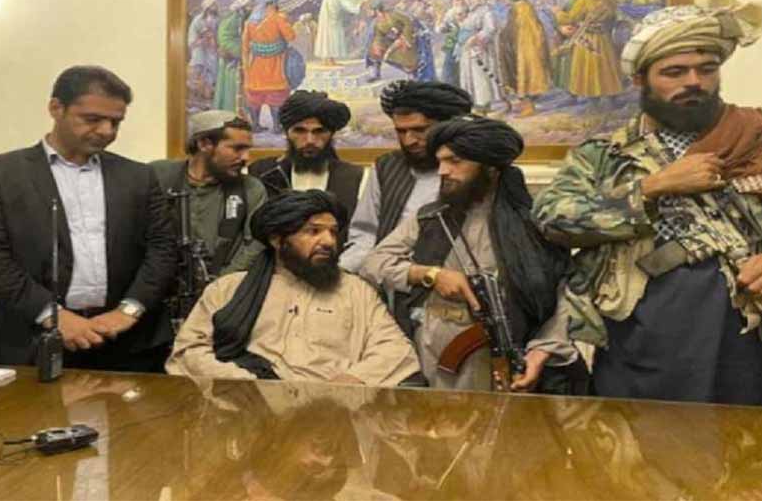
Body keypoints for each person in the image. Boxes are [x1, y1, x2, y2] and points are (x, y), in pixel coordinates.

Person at [532, 0, 762, 405]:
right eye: (675, 72)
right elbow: (552, 218)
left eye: (707, 69)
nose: (694, 82)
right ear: (640, 79)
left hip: (744, 330)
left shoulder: (755, 136)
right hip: (640, 332)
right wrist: (652, 188)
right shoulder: (604, 155)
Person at [0, 66, 177, 372]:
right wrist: (53, 315)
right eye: (92, 119)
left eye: (115, 122)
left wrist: (129, 310)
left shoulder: (139, 176)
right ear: (56, 108)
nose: (106, 131)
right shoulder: (0, 173)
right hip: (34, 342)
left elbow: (163, 248)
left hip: (128, 343)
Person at [360, 116, 579, 391]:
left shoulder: (536, 225)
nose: (442, 171)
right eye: (440, 161)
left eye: (455, 161)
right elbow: (373, 263)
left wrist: (541, 351)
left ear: (490, 169)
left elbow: (565, 296)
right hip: (435, 351)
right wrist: (430, 275)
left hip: (509, 353)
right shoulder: (431, 218)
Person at [166, 190, 421, 386]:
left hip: (331, 412)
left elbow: (395, 349)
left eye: (333, 232)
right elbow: (189, 351)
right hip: (247, 411)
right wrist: (240, 383)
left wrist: (353, 380)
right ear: (278, 240)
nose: (328, 241)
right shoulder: (228, 288)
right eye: (313, 231)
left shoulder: (356, 291)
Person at [340, 80, 472, 273]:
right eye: (401, 131)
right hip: (388, 277)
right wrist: (344, 274)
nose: (409, 141)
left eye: (420, 130)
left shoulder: (473, 169)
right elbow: (365, 234)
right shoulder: (386, 167)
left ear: (447, 127)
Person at [151, 110, 266, 275]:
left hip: (226, 284)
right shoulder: (158, 176)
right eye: (237, 148)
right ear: (204, 144)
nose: (246, 157)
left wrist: (221, 283)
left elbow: (257, 244)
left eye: (247, 149)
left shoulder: (251, 188)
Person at [248, 90, 364, 242]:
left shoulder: (353, 176)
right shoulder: (262, 172)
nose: (310, 140)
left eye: (319, 131)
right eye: (299, 131)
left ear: (331, 134)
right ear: (287, 132)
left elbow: (360, 235)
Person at [242, 0, 296, 132]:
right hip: (275, 66)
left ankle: (255, 125)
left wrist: (246, 65)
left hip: (255, 67)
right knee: (276, 96)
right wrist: (286, 21)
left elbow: (245, 46)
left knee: (255, 96)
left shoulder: (249, 22)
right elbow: (291, 36)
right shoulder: (277, 18)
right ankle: (276, 126)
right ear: (270, 3)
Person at [553, 0, 624, 100]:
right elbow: (613, 17)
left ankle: (592, 97)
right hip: (603, 39)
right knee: (605, 67)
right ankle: (609, 96)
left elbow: (571, 18)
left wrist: (558, 13)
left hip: (587, 38)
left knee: (587, 68)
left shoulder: (586, 0)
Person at [497, 0, 553, 117]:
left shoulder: (522, 8)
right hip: (523, 48)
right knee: (522, 78)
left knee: (526, 78)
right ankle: (525, 105)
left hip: (525, 50)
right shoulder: (522, 6)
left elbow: (523, 29)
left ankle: (528, 107)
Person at [365, 2, 436, 82]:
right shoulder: (377, 23)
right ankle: (375, 71)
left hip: (410, 37)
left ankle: (414, 73)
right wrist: (377, 45)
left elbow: (408, 22)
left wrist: (405, 38)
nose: (369, 12)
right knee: (375, 50)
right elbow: (379, 35)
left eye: (371, 10)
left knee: (409, 54)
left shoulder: (393, 14)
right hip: (394, 41)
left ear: (377, 10)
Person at [213, 0, 253, 112]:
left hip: (240, 58)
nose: (249, 6)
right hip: (233, 62)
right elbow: (225, 37)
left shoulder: (244, 16)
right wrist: (241, 51)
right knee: (232, 90)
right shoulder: (232, 18)